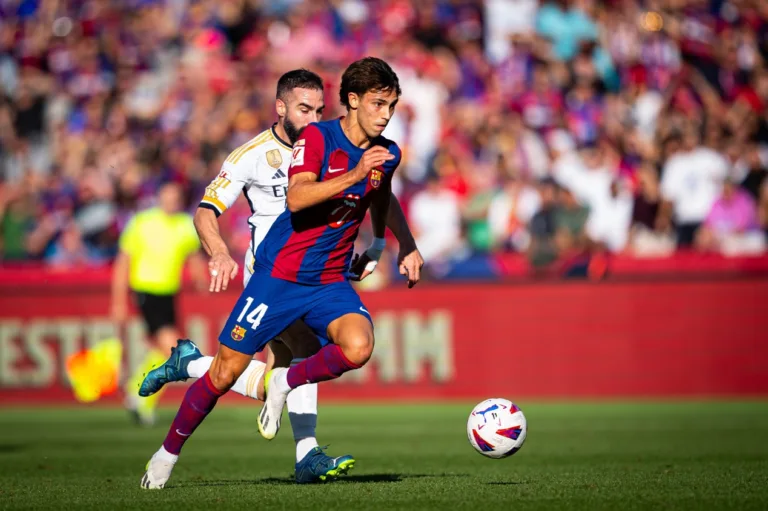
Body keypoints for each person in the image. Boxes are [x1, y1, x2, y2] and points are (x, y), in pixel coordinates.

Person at [140, 61, 423, 489]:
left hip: (329, 279)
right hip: (277, 275)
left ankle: (290, 407)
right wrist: (218, 252)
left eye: (392, 105)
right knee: (225, 373)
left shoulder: (386, 151)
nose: (386, 114)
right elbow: (296, 198)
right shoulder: (312, 141)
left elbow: (380, 193)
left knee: (357, 347)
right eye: (379, 104)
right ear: (352, 101)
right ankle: (165, 455)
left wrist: (390, 243)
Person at [111, 182, 206, 426]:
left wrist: (200, 278)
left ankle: (137, 393)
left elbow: (193, 253)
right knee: (174, 348)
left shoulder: (185, 225)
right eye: (167, 197)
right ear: (159, 198)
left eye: (175, 198)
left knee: (164, 349)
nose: (170, 202)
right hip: (146, 290)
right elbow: (123, 262)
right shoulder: (142, 222)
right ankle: (140, 395)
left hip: (169, 293)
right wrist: (119, 301)